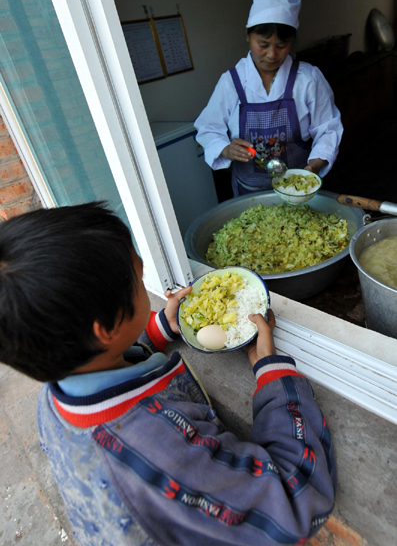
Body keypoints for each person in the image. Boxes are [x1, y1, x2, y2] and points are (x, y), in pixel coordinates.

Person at [0, 202, 336, 546]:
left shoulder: (53, 400)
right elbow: (295, 503)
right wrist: (274, 375)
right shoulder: (160, 450)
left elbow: (111, 360)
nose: (146, 283)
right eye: (138, 277)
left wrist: (159, 330)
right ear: (107, 328)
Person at [195, 0, 343, 197]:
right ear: (248, 36)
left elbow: (328, 129)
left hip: (298, 191)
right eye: (263, 44)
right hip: (249, 192)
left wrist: (312, 169)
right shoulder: (232, 82)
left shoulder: (308, 79)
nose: (272, 54)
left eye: (282, 45)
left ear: (292, 41)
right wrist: (226, 149)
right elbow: (207, 127)